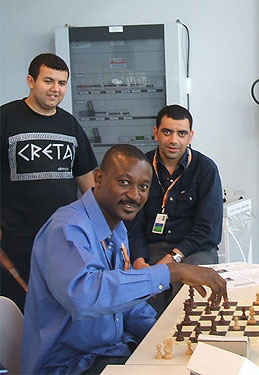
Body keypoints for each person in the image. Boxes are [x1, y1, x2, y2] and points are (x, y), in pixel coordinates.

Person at [21, 144, 227, 375]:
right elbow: (85, 297)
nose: (134, 196)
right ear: (99, 178)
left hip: (112, 352)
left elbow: (127, 305)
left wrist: (169, 334)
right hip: (72, 365)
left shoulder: (117, 229)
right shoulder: (66, 228)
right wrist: (172, 272)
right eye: (124, 183)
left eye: (143, 187)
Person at [0, 53, 97, 311]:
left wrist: (100, 227)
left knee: (60, 306)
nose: (56, 89)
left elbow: (87, 179)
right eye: (48, 81)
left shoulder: (70, 125)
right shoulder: (6, 118)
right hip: (16, 239)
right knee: (19, 309)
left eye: (62, 83)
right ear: (31, 81)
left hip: (63, 238)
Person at [127, 104, 223, 313]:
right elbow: (133, 224)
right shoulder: (140, 166)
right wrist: (138, 261)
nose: (173, 140)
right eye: (167, 132)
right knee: (142, 303)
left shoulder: (205, 169)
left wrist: (171, 260)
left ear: (191, 136)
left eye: (181, 133)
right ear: (156, 133)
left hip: (192, 250)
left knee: (191, 302)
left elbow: (208, 231)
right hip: (149, 250)